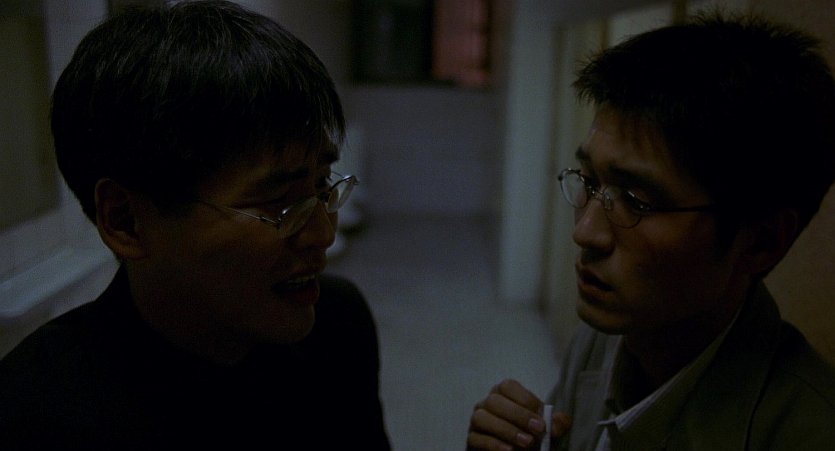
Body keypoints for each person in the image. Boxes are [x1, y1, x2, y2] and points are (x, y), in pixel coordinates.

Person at [0, 1, 390, 449]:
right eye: (277, 202)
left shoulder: (336, 325)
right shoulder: (32, 416)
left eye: (322, 184)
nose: (323, 233)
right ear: (125, 221)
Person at [468, 11, 835, 451]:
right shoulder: (615, 329)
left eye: (637, 201)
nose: (585, 233)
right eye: (589, 181)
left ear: (760, 241)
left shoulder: (808, 433)